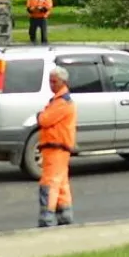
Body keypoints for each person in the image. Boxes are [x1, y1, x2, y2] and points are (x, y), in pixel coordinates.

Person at [36, 66, 77, 228]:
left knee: (49, 183)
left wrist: (39, 115)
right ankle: (65, 215)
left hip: (56, 148)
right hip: (58, 148)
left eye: (54, 82)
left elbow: (44, 120)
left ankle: (47, 218)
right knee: (61, 183)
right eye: (50, 81)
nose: (51, 84)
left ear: (63, 82)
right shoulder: (61, 100)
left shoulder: (62, 103)